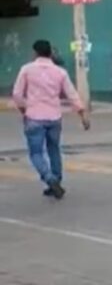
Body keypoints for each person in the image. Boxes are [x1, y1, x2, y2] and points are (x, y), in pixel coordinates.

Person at [11, 39, 90, 200]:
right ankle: (56, 181)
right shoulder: (60, 72)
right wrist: (82, 114)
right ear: (51, 54)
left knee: (36, 153)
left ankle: (50, 179)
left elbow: (17, 94)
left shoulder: (27, 69)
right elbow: (72, 94)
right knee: (54, 150)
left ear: (35, 53)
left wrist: (23, 109)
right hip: (54, 117)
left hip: (34, 117)